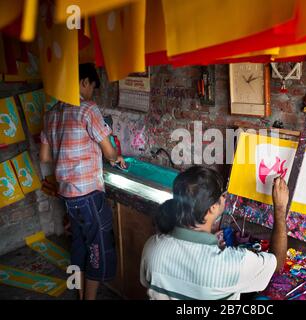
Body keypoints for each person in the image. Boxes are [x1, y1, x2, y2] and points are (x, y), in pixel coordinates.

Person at [39, 63, 126, 300]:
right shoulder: (87, 109)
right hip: (88, 195)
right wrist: (116, 157)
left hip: (67, 195)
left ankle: (79, 294)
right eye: (92, 88)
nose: (91, 94)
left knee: (78, 244)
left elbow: (45, 157)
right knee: (97, 247)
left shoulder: (51, 113)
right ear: (84, 82)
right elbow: (109, 152)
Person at [140, 166, 289, 300]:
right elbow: (277, 262)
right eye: (222, 195)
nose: (225, 198)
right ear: (211, 208)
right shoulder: (231, 265)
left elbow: (147, 281)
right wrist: (281, 208)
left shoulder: (152, 248)